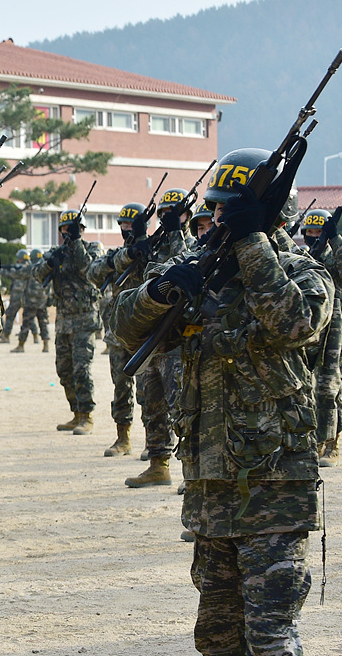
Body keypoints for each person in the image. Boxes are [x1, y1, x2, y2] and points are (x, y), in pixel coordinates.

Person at [112, 148, 333, 655]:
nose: (218, 219)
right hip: (209, 488)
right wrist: (161, 292)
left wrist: (253, 242)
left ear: (267, 214)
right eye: (214, 209)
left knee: (270, 634)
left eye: (230, 210)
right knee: (216, 637)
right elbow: (124, 327)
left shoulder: (302, 272)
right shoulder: (196, 269)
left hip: (275, 487)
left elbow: (294, 323)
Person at [125, 188, 196, 489]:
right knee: (150, 402)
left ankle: (192, 474)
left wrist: (177, 233)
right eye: (163, 214)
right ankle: (158, 464)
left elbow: (184, 261)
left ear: (187, 217)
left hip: (178, 340)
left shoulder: (193, 243)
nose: (167, 218)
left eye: (174, 213)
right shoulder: (155, 245)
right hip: (151, 336)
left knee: (182, 407)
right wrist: (139, 241)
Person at [33, 209, 103, 434]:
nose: (67, 233)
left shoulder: (91, 248)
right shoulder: (57, 252)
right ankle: (75, 412)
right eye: (64, 230)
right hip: (63, 320)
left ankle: (87, 415)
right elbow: (37, 274)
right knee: (64, 370)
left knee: (81, 369)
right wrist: (51, 264)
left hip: (85, 319)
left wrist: (77, 244)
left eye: (71, 229)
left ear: (81, 230)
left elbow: (90, 271)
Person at [87, 202, 146, 457]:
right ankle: (123, 437)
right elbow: (94, 272)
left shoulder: (152, 251)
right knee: (121, 387)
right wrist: (125, 257)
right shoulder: (116, 254)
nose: (126, 228)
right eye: (122, 224)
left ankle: (155, 446)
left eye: (130, 224)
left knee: (149, 391)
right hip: (119, 332)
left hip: (146, 331)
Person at [300, 208, 342, 467]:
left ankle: (331, 442)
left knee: (329, 388)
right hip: (312, 331)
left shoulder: (341, 251)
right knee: (307, 387)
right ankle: (313, 439)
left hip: (338, 330)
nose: (313, 236)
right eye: (309, 232)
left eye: (318, 232)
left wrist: (334, 239)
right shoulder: (305, 256)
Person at [16, 249, 52, 353]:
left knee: (26, 324)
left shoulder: (29, 268)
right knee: (43, 323)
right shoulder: (46, 268)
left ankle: (21, 346)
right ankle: (46, 345)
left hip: (30, 301)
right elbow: (50, 285)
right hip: (42, 301)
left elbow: (19, 275)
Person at [0, 249, 29, 345]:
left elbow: (11, 273)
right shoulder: (29, 267)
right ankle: (36, 336)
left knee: (10, 314)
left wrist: (0, 270)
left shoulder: (23, 269)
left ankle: (6, 336)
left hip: (18, 296)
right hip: (25, 296)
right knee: (30, 317)